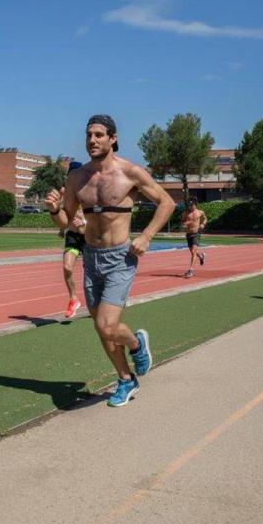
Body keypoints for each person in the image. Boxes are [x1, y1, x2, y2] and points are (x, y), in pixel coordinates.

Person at [45, 114, 174, 407]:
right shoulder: (77, 178)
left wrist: (147, 236)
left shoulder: (129, 172)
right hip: (91, 258)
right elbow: (65, 222)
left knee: (106, 325)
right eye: (88, 134)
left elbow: (166, 202)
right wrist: (54, 210)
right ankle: (126, 380)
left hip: (121, 258)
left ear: (113, 138)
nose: (92, 140)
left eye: (99, 135)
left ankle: (137, 344)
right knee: (100, 327)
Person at [60, 161, 87, 318]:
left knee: (93, 272)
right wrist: (62, 227)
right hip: (72, 235)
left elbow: (98, 215)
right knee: (67, 267)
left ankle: (99, 299)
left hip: (88, 234)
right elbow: (66, 212)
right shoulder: (65, 192)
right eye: (70, 175)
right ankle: (73, 299)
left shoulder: (89, 191)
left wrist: (84, 223)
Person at [181, 197, 207, 278]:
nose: (190, 206)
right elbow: (182, 221)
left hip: (196, 233)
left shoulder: (200, 212)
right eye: (189, 205)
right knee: (193, 252)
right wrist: (185, 223)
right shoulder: (185, 213)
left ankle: (191, 270)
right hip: (188, 234)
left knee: (193, 252)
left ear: (195, 205)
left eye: (192, 205)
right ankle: (201, 256)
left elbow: (205, 218)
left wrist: (203, 224)